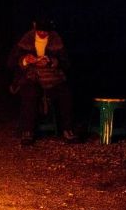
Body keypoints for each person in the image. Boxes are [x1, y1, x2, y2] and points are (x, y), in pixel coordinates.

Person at [8, 17, 77, 145]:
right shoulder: (26, 39)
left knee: (65, 93)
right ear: (35, 27)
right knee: (29, 92)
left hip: (52, 77)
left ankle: (68, 129)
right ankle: (27, 131)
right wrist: (25, 60)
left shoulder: (56, 39)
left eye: (46, 31)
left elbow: (66, 63)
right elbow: (12, 62)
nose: (43, 33)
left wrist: (51, 61)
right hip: (31, 75)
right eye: (40, 30)